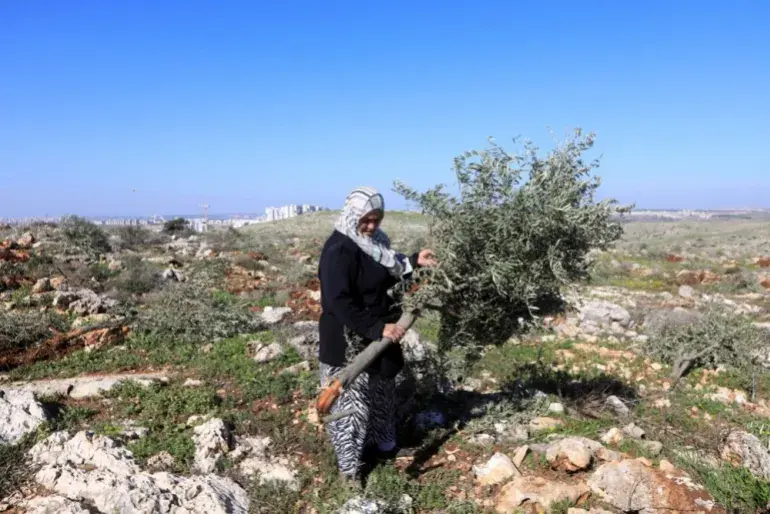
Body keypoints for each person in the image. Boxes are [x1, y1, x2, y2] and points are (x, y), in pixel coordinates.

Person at [317, 186, 437, 486]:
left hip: (380, 335)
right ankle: (349, 471)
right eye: (366, 219)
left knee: (382, 392)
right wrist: (376, 328)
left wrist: (414, 260)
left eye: (376, 219)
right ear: (353, 214)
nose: (371, 225)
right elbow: (338, 301)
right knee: (349, 406)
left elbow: (389, 268)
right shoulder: (339, 249)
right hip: (347, 338)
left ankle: (382, 446)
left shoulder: (374, 243)